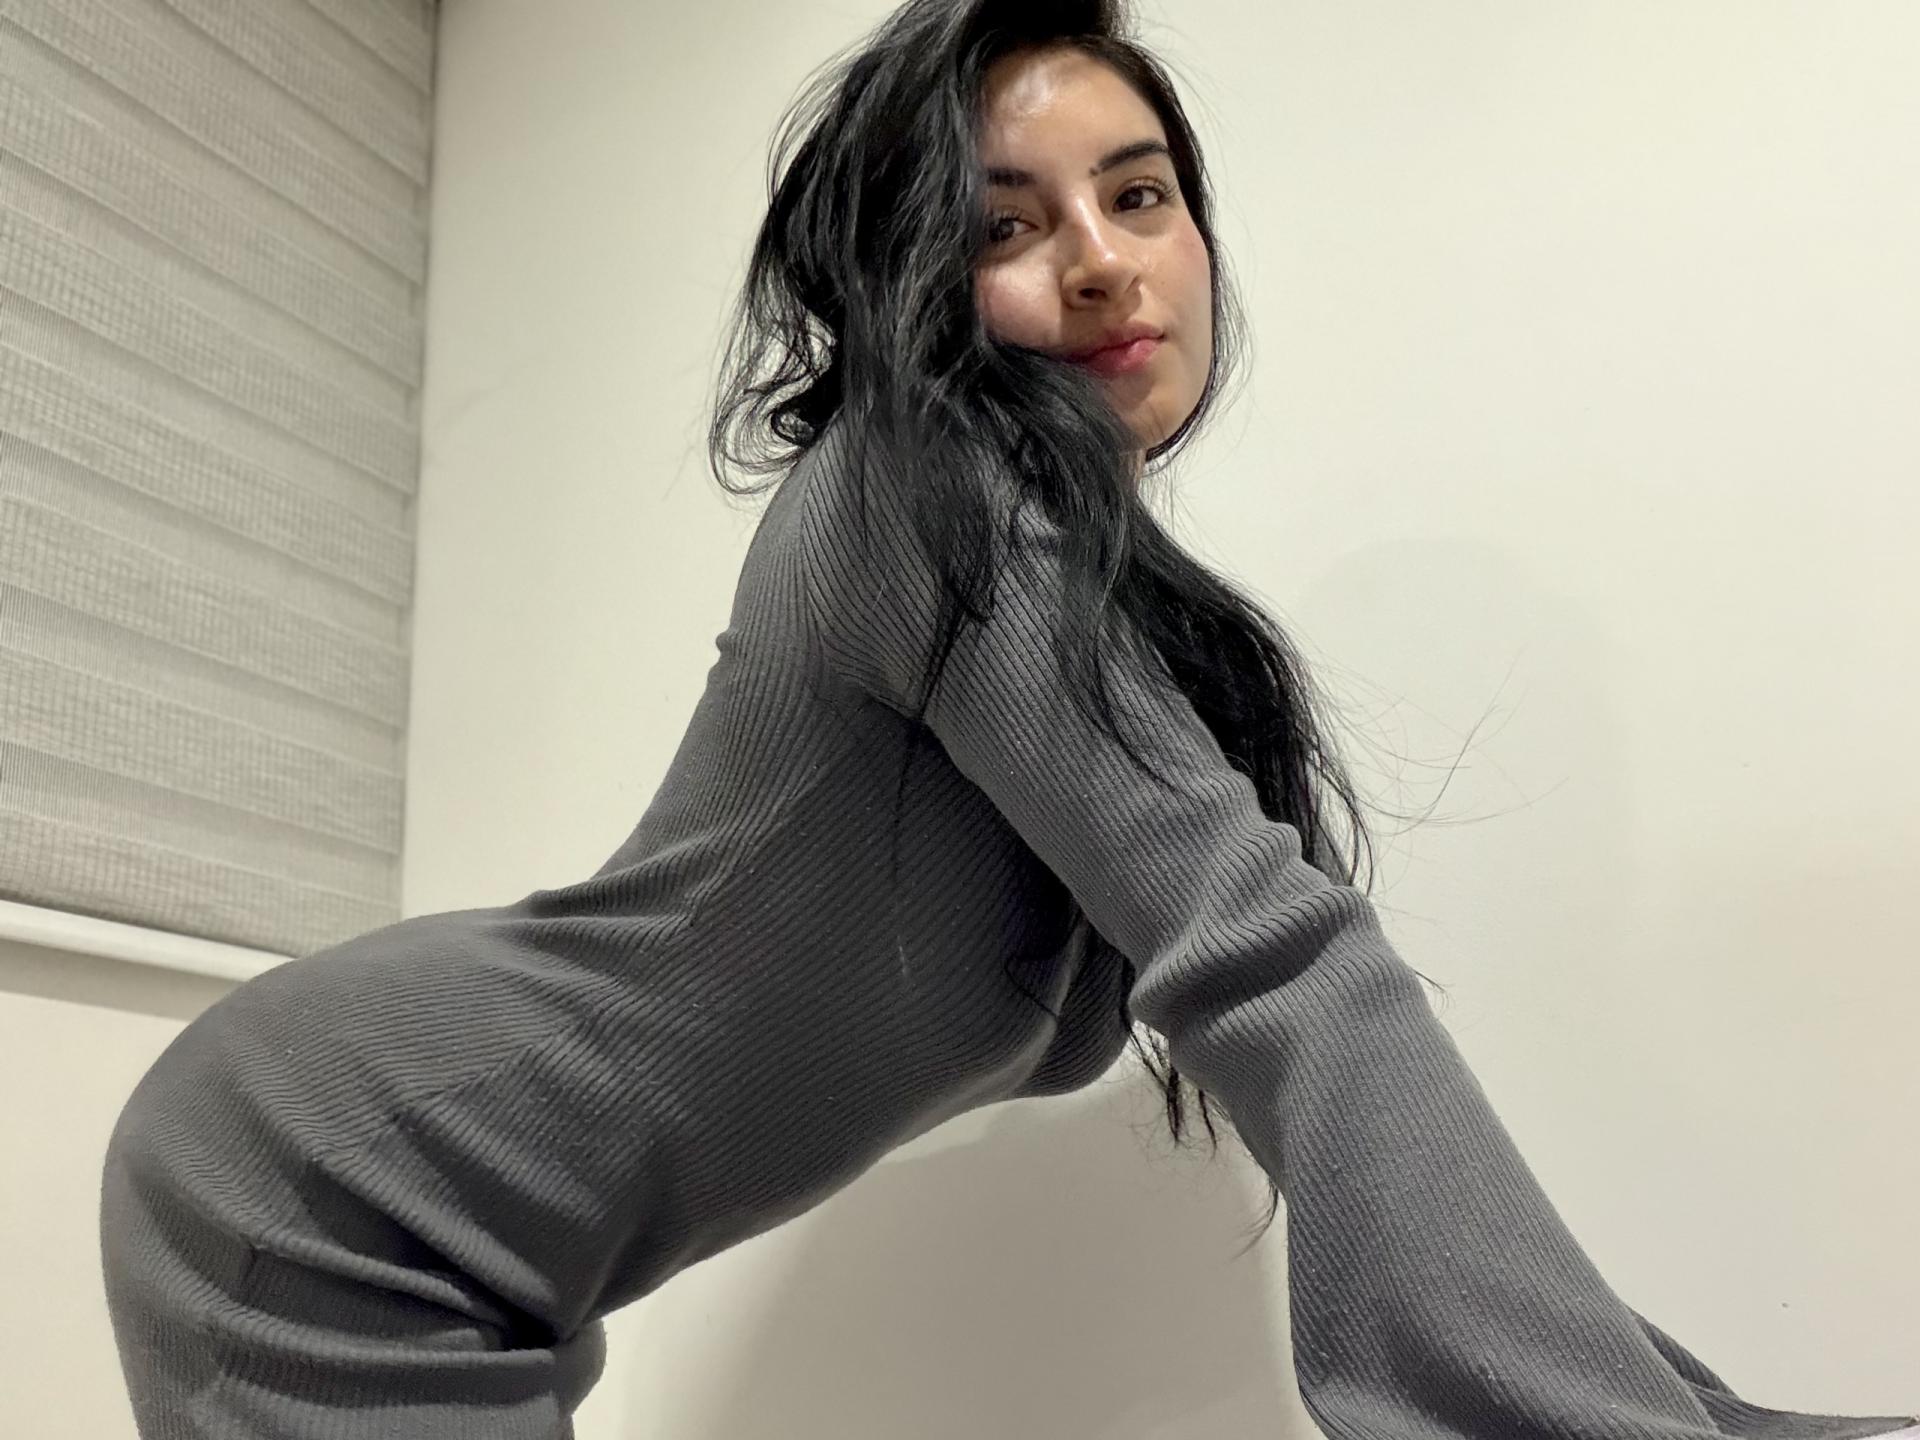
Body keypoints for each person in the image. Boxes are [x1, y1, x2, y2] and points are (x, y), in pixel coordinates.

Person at [97, 1, 1917, 1436]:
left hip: (459, 1228)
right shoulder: (922, 494)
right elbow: (1279, 956)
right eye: (1007, 225)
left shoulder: (1088, 597)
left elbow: (1297, 1006)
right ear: (918, 281)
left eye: (1141, 195)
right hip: (328, 1194)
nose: (1105, 260)